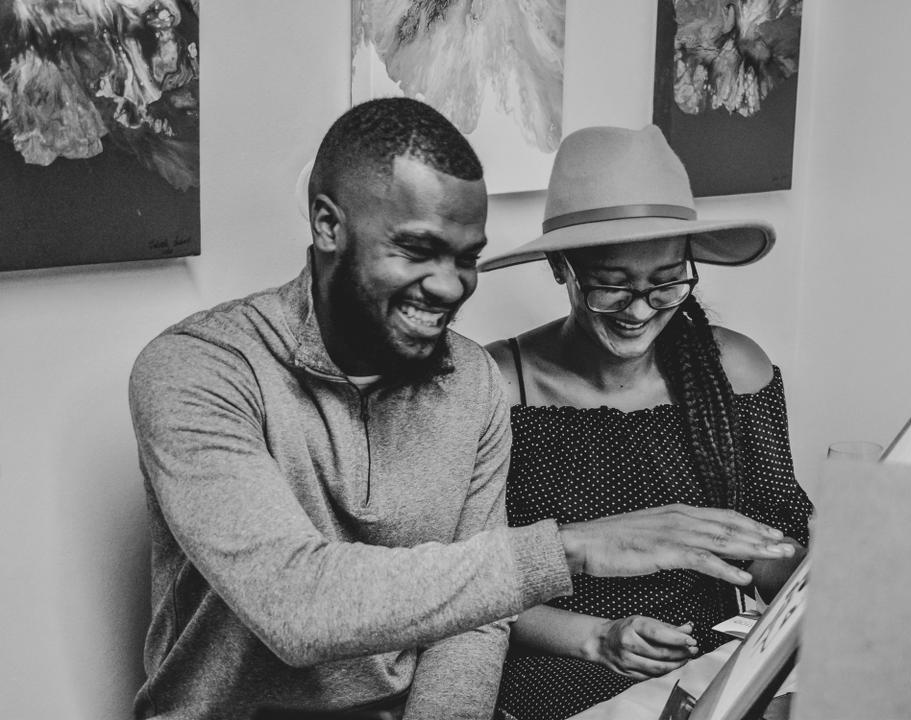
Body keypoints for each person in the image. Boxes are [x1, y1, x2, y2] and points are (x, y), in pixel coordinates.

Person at [127, 98, 796, 720]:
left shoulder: (467, 379)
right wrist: (575, 549)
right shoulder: (200, 370)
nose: (449, 286)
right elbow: (297, 607)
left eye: (467, 258)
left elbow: (474, 620)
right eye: (418, 250)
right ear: (327, 223)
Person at [479, 125, 814, 720]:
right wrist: (601, 636)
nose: (639, 311)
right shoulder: (497, 390)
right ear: (562, 268)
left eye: (665, 285)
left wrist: (816, 566)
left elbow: (773, 549)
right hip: (555, 680)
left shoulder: (732, 369)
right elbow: (462, 592)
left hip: (709, 667)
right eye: (612, 286)